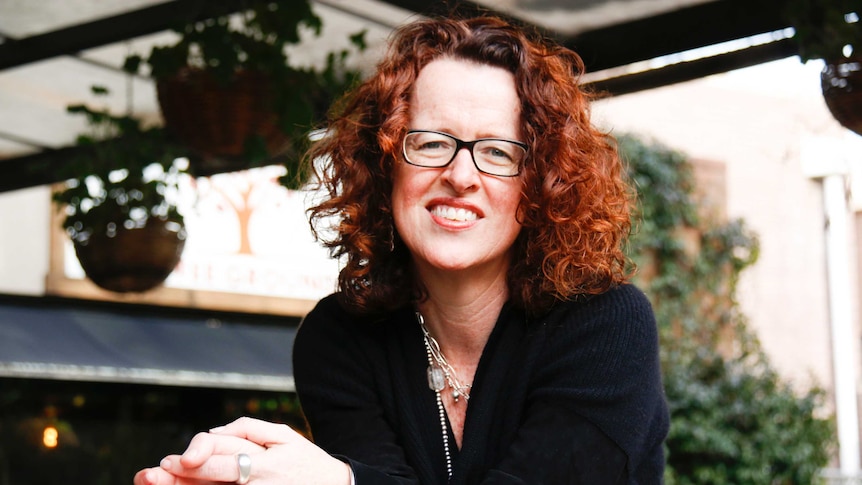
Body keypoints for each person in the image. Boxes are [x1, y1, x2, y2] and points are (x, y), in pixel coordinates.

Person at [134, 15, 669, 485]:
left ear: (540, 183)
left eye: (498, 152)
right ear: (385, 161)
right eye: (431, 142)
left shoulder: (605, 324)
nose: (461, 175)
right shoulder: (339, 338)